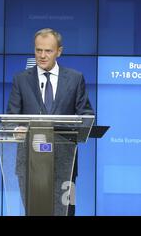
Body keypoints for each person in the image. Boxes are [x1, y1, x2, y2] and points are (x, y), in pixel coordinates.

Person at [6, 28, 94, 215]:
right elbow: (11, 118)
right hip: (30, 161)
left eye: (48, 51)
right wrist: (17, 129)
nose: (42, 55)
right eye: (38, 50)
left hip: (65, 162)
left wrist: (75, 127)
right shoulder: (21, 79)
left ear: (59, 52)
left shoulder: (75, 79)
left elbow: (86, 116)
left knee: (65, 212)